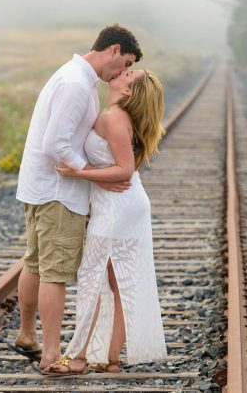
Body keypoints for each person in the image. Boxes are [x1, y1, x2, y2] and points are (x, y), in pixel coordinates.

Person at [12, 24, 142, 370]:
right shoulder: (76, 84)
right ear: (113, 50)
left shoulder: (74, 76)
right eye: (124, 63)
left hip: (40, 186)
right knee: (55, 272)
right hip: (58, 191)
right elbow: (55, 144)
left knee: (35, 263)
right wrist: (94, 175)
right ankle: (52, 355)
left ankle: (28, 334)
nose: (122, 72)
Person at [42, 68, 168, 374]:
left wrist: (79, 173)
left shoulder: (113, 117)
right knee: (116, 281)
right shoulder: (114, 114)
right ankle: (110, 359)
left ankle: (79, 358)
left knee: (93, 278)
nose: (124, 72)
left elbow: (124, 170)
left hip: (119, 207)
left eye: (129, 74)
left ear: (127, 91)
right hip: (121, 204)